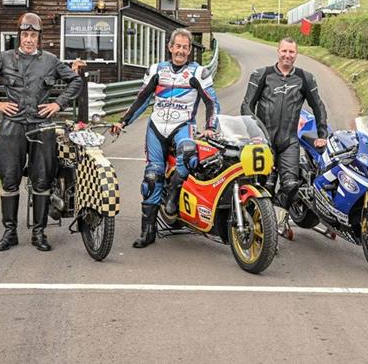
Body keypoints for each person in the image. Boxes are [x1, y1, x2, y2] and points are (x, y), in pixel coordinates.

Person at [0, 12, 82, 252]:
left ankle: (39, 233)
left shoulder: (51, 61)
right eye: (25, 34)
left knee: (42, 179)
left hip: (42, 126)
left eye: (33, 35)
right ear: (18, 35)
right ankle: (10, 232)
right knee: (9, 179)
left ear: (39, 37)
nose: (29, 39)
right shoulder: (5, 59)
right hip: (13, 126)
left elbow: (75, 81)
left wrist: (58, 104)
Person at [111, 28, 220, 249]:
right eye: (177, 46)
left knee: (190, 155)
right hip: (157, 127)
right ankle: (147, 232)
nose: (181, 50)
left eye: (185, 47)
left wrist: (210, 127)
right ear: (170, 47)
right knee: (152, 176)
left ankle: (173, 194)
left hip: (183, 126)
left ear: (190, 50)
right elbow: (141, 99)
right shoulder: (157, 70)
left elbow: (212, 103)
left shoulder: (198, 73)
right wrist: (123, 121)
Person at [241, 37, 328, 213]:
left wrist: (322, 135)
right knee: (262, 185)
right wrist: (255, 132)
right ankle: (259, 218)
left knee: (291, 186)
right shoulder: (262, 75)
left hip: (289, 141)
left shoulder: (305, 78)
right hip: (263, 141)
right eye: (284, 51)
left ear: (296, 54)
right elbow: (246, 106)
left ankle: (275, 213)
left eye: (291, 52)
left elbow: (318, 106)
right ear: (278, 51)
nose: (287, 55)